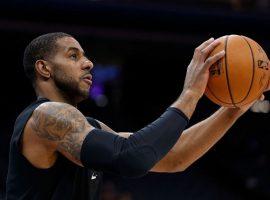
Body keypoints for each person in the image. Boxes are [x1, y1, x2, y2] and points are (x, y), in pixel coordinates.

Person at [5, 32, 263, 200]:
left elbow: (175, 157)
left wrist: (236, 107)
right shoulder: (45, 117)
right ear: (44, 68)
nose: (88, 63)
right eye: (73, 55)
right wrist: (191, 93)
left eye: (85, 55)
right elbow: (131, 158)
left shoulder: (86, 127)